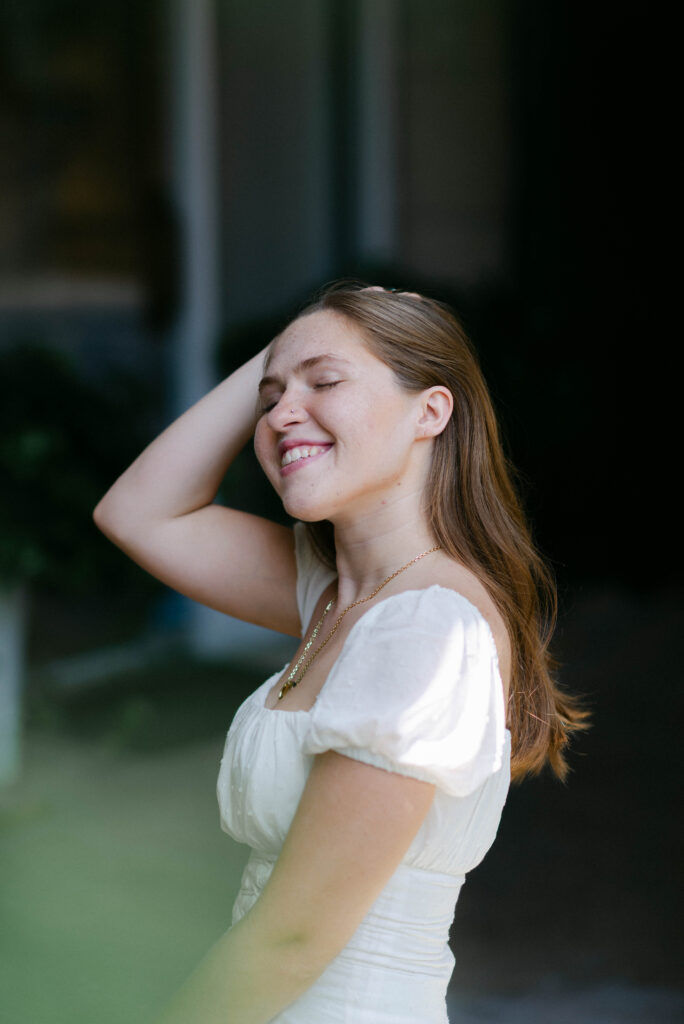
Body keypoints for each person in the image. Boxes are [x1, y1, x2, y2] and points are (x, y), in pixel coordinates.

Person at [93, 281, 586, 1024]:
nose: (283, 412)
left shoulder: (424, 628)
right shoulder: (336, 594)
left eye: (326, 382)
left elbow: (293, 940)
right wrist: (292, 347)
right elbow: (135, 512)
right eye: (269, 398)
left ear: (431, 411)